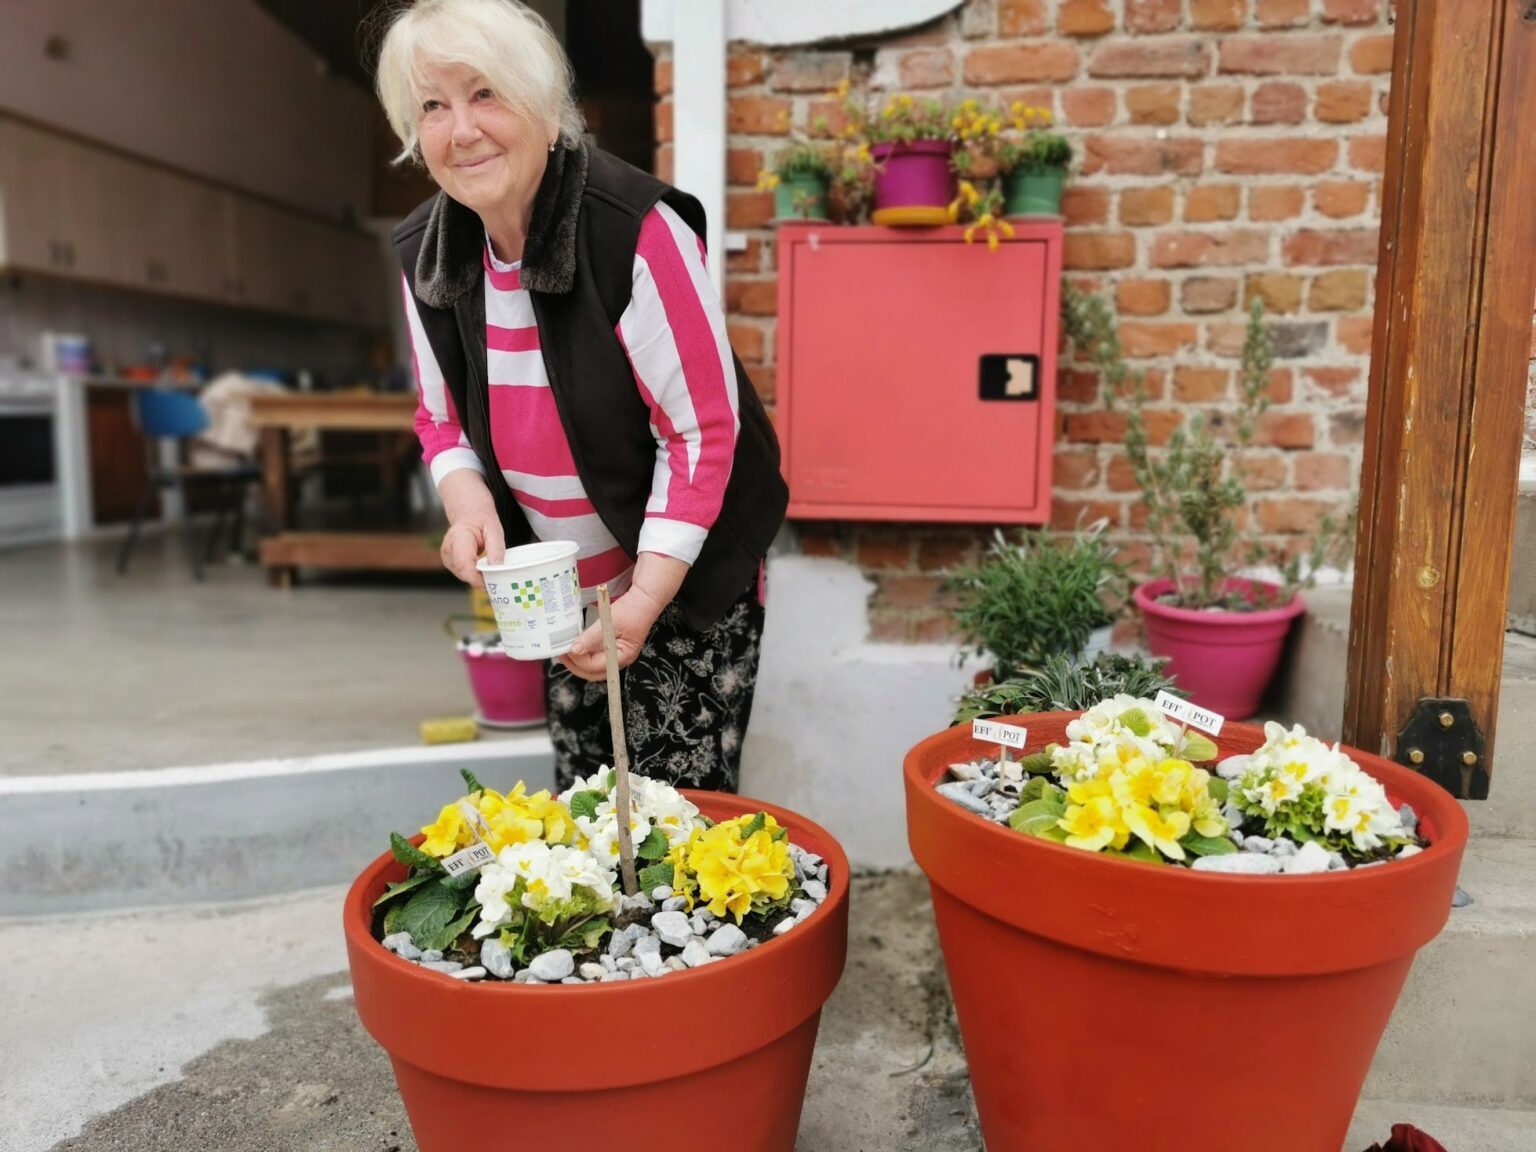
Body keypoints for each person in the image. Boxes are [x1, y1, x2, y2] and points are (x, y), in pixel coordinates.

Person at [375, 0, 787, 792]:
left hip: (682, 571)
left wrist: (642, 603)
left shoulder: (633, 230)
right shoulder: (426, 253)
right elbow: (440, 420)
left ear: (543, 103)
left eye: (486, 93)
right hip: (561, 585)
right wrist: (469, 508)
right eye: (433, 105)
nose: (461, 130)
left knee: (678, 816)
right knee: (588, 795)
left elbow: (700, 434)